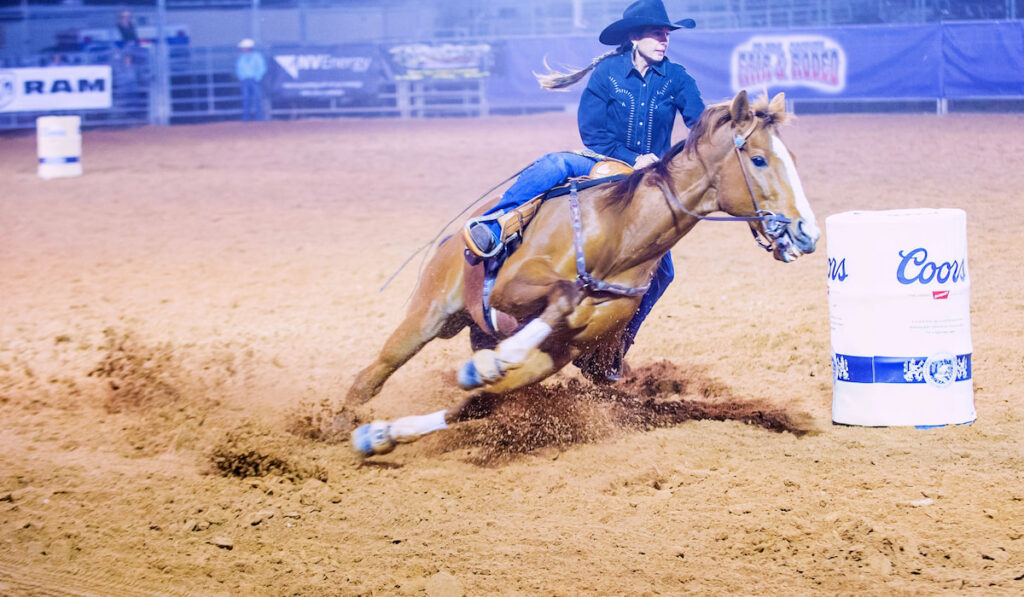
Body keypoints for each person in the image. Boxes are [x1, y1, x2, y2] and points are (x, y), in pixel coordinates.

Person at [464, 0, 705, 382]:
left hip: (650, 181)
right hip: (604, 162)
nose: (664, 40)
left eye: (666, 34)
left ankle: (616, 347)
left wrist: (719, 129)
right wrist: (632, 158)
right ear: (634, 37)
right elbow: (592, 132)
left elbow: (699, 123)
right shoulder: (608, 73)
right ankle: (494, 225)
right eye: (657, 33)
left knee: (663, 273)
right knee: (555, 163)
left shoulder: (677, 78)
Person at [235, 38, 267, 122]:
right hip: (245, 80)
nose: (242, 49)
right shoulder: (241, 57)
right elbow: (238, 68)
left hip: (254, 80)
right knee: (246, 99)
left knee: (257, 98)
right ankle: (246, 118)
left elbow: (261, 68)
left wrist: (257, 77)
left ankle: (259, 118)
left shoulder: (257, 56)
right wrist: (241, 77)